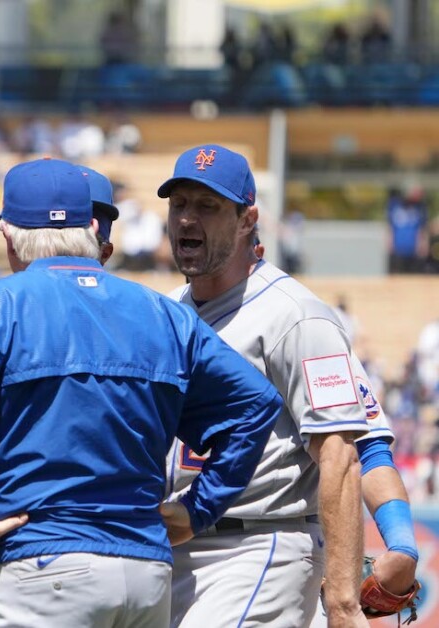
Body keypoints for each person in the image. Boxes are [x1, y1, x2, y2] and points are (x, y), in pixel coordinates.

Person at [0, 157, 283, 627]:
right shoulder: (164, 313)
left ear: (9, 235)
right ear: (91, 230)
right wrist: (198, 509)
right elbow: (257, 404)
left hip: (42, 561)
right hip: (145, 571)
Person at [158, 144, 418, 627]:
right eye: (179, 205)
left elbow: (352, 446)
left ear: (247, 219)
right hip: (175, 546)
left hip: (260, 544)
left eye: (207, 206)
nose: (188, 220)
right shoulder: (166, 310)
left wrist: (367, 576)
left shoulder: (296, 316)